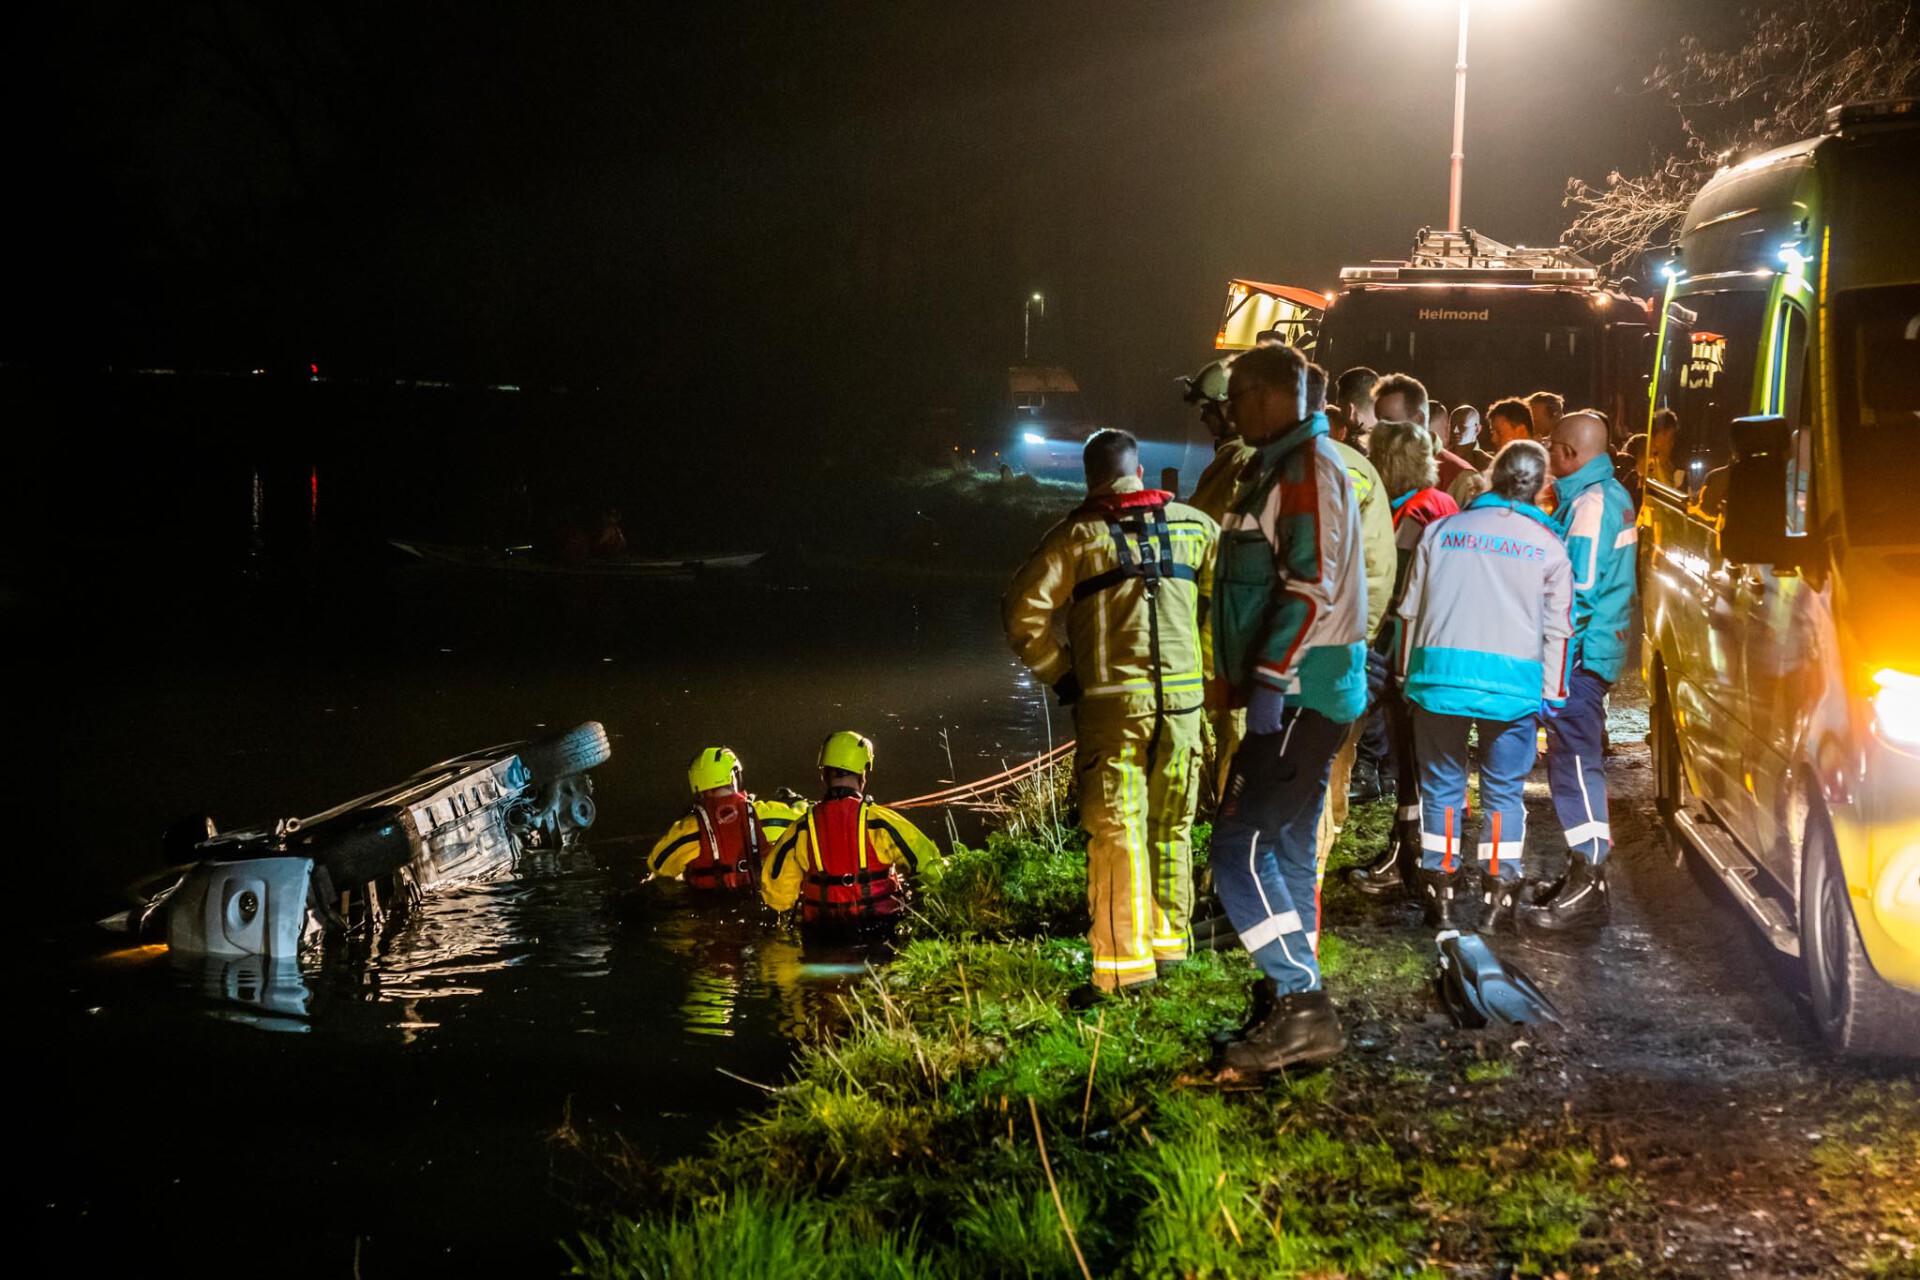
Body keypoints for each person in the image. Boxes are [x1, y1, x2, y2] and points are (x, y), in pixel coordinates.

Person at [1003, 428, 1219, 1001]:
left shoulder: (1073, 539)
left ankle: (1124, 970)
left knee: (1116, 832)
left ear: (1089, 477)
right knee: (1170, 826)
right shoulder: (1198, 529)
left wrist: (1062, 674)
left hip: (1110, 707)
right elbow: (1225, 606)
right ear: (1140, 471)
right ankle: (1171, 947)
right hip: (1184, 706)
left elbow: (1022, 616)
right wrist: (1205, 668)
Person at [1208, 341, 1369, 1073]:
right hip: (1305, 690)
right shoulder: (1276, 467)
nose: (1230, 409)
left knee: (1237, 850)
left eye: (1239, 395)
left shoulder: (1305, 472)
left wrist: (1268, 681)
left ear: (1276, 395)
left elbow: (1308, 588)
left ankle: (1301, 1001)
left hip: (1302, 692)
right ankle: (1292, 1007)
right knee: (1290, 848)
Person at [1397, 441, 1574, 928]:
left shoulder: (1441, 532)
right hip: (1513, 689)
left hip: (1437, 682)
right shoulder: (1548, 546)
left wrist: (1402, 673)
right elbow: (1559, 629)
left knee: (1442, 788)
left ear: (1493, 476)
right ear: (1540, 486)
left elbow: (1409, 613)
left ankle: (1441, 889)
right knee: (1502, 793)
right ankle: (1499, 890)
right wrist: (1554, 695)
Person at [1520, 411, 1637, 932]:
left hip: (1579, 658)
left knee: (1576, 765)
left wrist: (1554, 669)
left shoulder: (1590, 506)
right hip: (1593, 653)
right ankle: (1581, 874)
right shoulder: (1606, 495)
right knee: (1572, 762)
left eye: (1552, 448)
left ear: (1567, 453)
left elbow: (1577, 594)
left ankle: (1590, 882)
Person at [1347, 421, 1459, 898]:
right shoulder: (1442, 503)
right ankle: (1413, 853)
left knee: (1413, 763)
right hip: (1435, 649)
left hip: (1406, 653)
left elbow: (1396, 590)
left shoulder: (1412, 516)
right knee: (1424, 764)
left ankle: (1410, 858)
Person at [1309, 362, 1398, 900]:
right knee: (1330, 764)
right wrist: (1356, 639)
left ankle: (1291, 886)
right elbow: (1378, 569)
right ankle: (1315, 869)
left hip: (1283, 658)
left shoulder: (1259, 468)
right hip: (1340, 650)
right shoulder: (1362, 471)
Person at [761, 731, 941, 934]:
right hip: (880, 931)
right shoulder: (881, 822)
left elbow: (777, 895)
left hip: (821, 933)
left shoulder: (801, 828)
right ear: (864, 773)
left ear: (824, 775)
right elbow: (931, 867)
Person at [648, 747, 804, 890]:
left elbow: (657, 865)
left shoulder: (690, 828)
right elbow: (804, 818)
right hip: (755, 897)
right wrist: (798, 802)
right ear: (733, 776)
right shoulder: (764, 814)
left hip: (706, 907)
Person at [1183, 356, 1259, 523]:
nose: (1203, 418)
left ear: (1229, 407)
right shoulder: (1246, 451)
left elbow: (1206, 519)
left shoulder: (1241, 456)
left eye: (1207, 409)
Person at [1376, 373, 1472, 492]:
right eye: (1378, 422)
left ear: (1418, 419)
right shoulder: (1374, 468)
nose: (1378, 430)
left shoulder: (1459, 478)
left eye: (1389, 422)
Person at [1327, 366, 1380, 450]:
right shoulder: (1397, 439)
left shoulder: (1346, 453)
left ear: (1350, 410)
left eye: (1342, 408)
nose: (1340, 415)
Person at [1450, 405, 1492, 470]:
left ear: (1477, 429)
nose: (1455, 430)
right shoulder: (1440, 458)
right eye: (1452, 425)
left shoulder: (1487, 464)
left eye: (1462, 426)